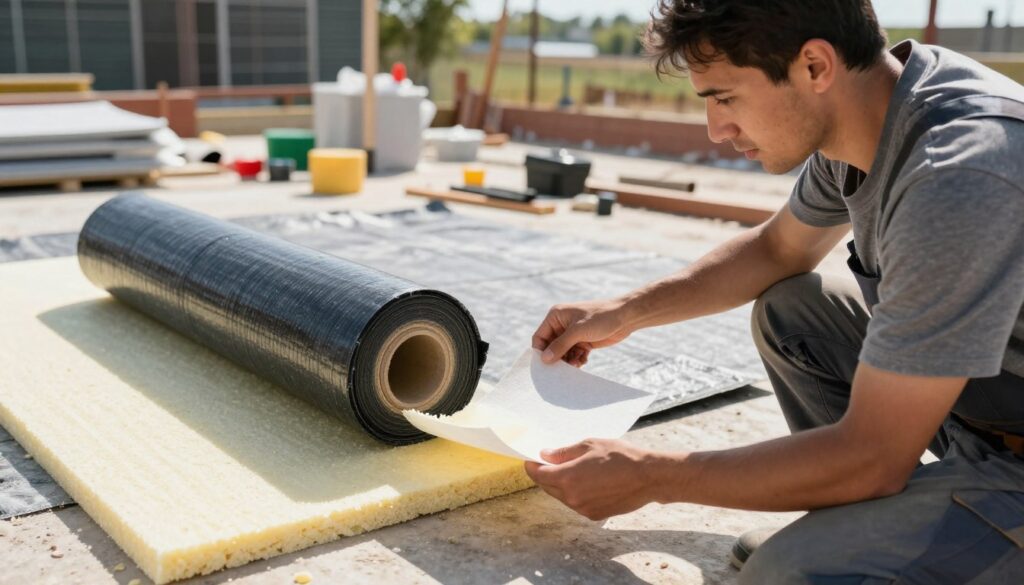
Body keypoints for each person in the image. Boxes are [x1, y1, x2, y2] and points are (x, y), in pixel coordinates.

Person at [525, 1, 1024, 582]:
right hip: (991, 402)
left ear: (814, 65)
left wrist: (654, 475)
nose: (716, 129)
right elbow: (777, 250)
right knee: (794, 313)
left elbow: (875, 455)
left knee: (785, 573)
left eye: (724, 97)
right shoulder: (873, 110)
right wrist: (623, 311)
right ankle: (862, 518)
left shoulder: (957, 174)